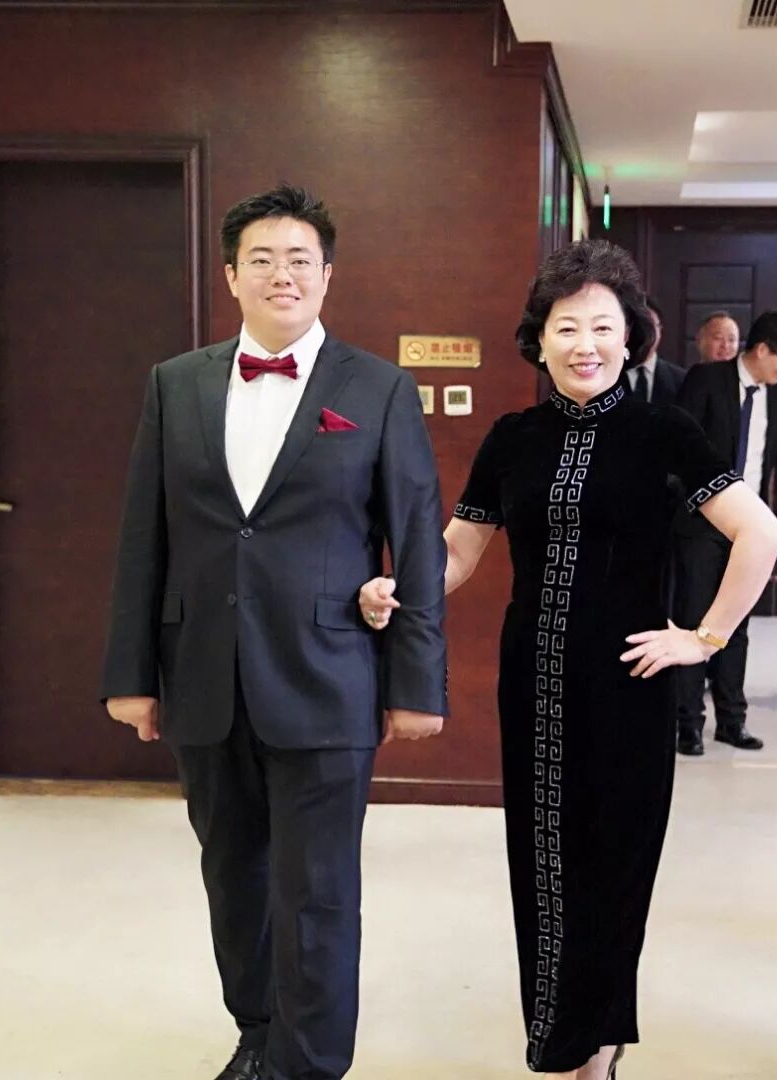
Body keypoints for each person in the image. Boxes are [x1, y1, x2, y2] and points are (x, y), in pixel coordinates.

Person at [359, 240, 777, 1080]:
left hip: (628, 685)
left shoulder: (664, 430)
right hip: (533, 683)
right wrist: (395, 590)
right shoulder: (513, 438)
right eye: (566, 327)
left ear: (631, 337)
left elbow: (759, 533)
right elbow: (459, 554)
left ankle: (594, 1048)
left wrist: (701, 639)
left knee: (614, 866)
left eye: (602, 326)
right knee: (544, 863)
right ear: (540, 339)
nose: (584, 343)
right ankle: (564, 1040)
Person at [100, 185, 447, 1080]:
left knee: (318, 891)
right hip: (203, 675)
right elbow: (145, 535)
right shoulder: (176, 383)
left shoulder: (377, 388)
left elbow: (414, 538)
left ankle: (309, 1064)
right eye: (261, 258)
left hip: (328, 675)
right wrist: (130, 676)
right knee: (234, 878)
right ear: (231, 275)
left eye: (299, 259)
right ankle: (257, 1035)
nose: (281, 274)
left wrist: (416, 685)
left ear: (328, 275)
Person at [673, 311, 777, 755]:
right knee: (695, 619)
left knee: (737, 624)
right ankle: (688, 724)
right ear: (762, 349)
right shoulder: (706, 380)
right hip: (701, 521)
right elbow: (681, 442)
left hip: (750, 529)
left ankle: (732, 721)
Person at [626, 296, 685, 405]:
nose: (644, 333)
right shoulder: (605, 377)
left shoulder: (682, 380)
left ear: (660, 330)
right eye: (638, 326)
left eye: (650, 326)